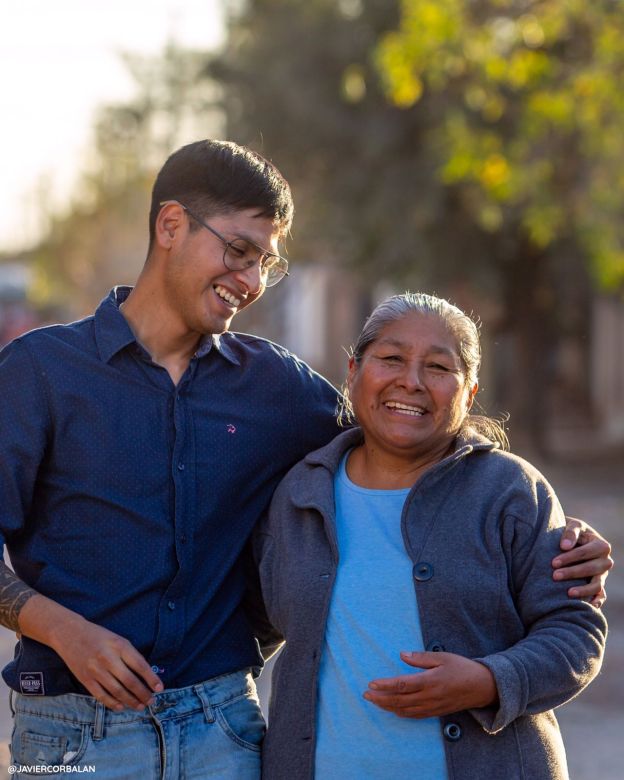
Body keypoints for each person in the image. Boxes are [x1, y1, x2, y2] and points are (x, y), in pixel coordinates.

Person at [0, 141, 611, 778]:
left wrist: (550, 533)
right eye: (238, 251)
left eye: (266, 262)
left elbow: (409, 426)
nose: (251, 282)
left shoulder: (278, 388)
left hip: (224, 733)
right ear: (170, 225)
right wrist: (63, 629)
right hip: (71, 735)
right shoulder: (40, 373)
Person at [253, 293, 608, 780]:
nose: (412, 381)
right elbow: (256, 623)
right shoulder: (298, 493)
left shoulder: (511, 492)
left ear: (469, 391)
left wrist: (489, 682)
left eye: (439, 367)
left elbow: (575, 634)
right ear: (354, 371)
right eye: (392, 358)